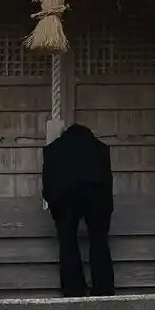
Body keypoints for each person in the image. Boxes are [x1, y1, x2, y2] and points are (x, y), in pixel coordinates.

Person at [42, 119, 114, 296]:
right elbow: (107, 181)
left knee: (67, 241)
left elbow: (48, 181)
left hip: (64, 194)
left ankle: (73, 289)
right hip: (96, 191)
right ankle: (103, 288)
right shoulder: (100, 148)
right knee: (98, 241)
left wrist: (52, 203)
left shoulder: (54, 149)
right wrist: (107, 210)